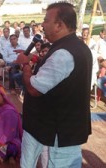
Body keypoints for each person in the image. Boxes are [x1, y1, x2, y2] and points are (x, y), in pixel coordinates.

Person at [16, 2, 92, 167]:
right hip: (47, 123)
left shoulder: (63, 54)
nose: (42, 24)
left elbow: (34, 89)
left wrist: (25, 65)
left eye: (46, 20)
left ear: (59, 25)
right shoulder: (77, 47)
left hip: (59, 129)